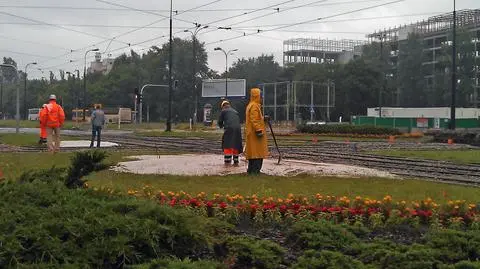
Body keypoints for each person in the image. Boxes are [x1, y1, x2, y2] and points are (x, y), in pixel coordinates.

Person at [244, 88, 269, 175]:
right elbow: (254, 119)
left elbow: (255, 119)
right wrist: (258, 130)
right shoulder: (254, 106)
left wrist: (263, 119)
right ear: (257, 96)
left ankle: (251, 171)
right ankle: (255, 171)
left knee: (253, 153)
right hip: (255, 134)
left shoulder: (251, 105)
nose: (262, 97)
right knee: (258, 153)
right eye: (261, 95)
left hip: (251, 133)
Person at [218, 100, 243, 166]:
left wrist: (221, 126)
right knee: (236, 144)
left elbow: (220, 121)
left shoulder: (223, 111)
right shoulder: (235, 111)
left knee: (227, 144)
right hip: (238, 129)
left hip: (229, 128)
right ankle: (236, 162)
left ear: (223, 106)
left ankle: (227, 163)